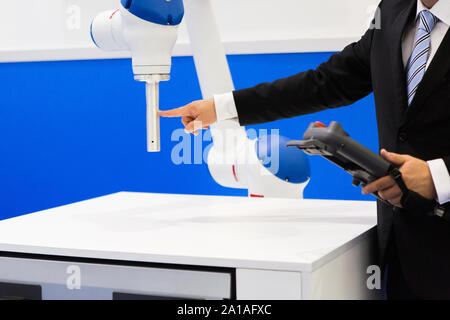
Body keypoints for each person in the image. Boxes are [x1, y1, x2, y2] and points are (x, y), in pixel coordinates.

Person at [160, 0, 450, 299]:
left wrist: (438, 176)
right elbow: (325, 83)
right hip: (406, 251)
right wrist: (222, 107)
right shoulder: (391, 13)